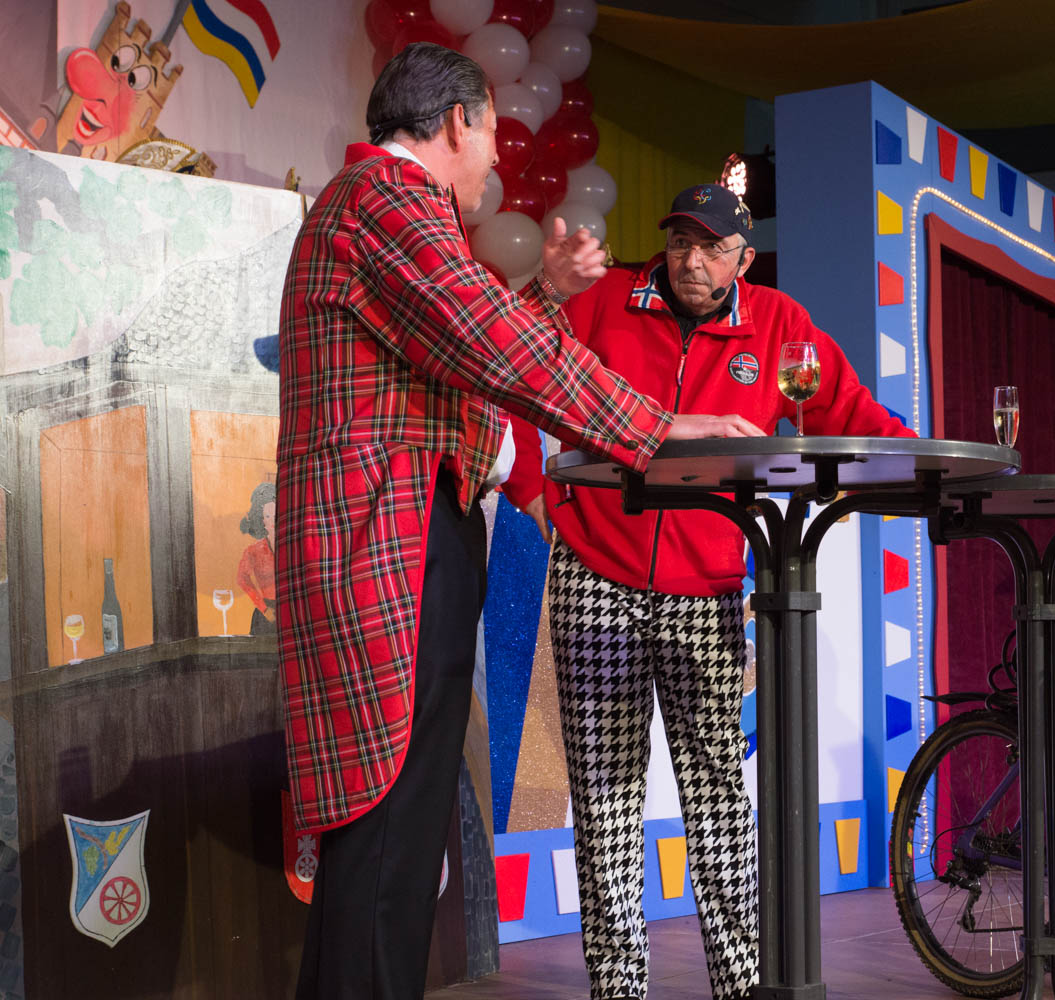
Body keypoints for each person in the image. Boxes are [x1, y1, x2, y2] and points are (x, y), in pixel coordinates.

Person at [276, 45, 761, 1000]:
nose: (499, 156)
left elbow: (455, 338)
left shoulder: (382, 209)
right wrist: (657, 429)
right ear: (456, 122)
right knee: (388, 833)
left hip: (405, 533)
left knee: (393, 835)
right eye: (493, 131)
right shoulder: (388, 201)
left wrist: (543, 295)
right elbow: (489, 344)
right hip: (389, 542)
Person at [505, 183, 917, 1000]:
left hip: (708, 583)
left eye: (709, 247)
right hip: (597, 570)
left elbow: (845, 408)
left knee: (719, 796)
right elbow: (516, 367)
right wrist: (533, 494)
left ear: (744, 259)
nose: (690, 260)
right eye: (679, 242)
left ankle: (740, 983)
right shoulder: (606, 299)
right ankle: (617, 990)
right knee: (605, 798)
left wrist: (919, 462)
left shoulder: (779, 323)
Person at [236, 481, 277, 635]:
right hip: (266, 615)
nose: (272, 521)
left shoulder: (293, 547)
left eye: (276, 515)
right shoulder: (253, 551)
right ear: (261, 519)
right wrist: (263, 608)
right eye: (267, 516)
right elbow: (242, 578)